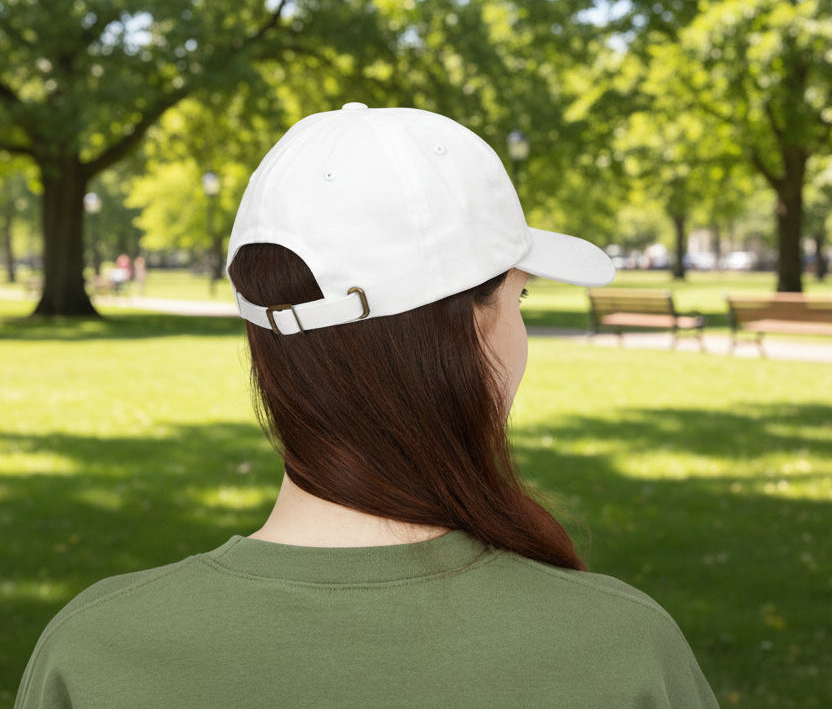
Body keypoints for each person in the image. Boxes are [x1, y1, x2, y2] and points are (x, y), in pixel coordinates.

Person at [16, 104, 718, 708]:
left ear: (264, 335)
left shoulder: (92, 656)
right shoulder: (622, 653)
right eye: (519, 297)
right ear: (472, 329)